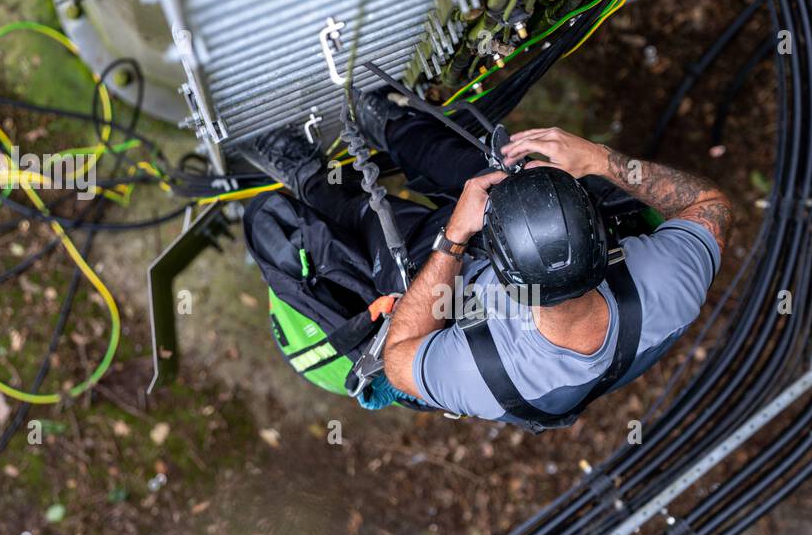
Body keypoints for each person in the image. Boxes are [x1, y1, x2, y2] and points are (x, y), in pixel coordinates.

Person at [240, 90, 732, 429]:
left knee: (373, 222)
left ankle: (308, 176)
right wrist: (599, 159)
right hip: (517, 280)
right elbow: (710, 205)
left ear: (502, 274)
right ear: (600, 235)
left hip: (459, 298)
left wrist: (454, 237)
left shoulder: (482, 374)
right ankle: (392, 124)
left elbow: (397, 359)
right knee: (489, 168)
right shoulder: (668, 284)